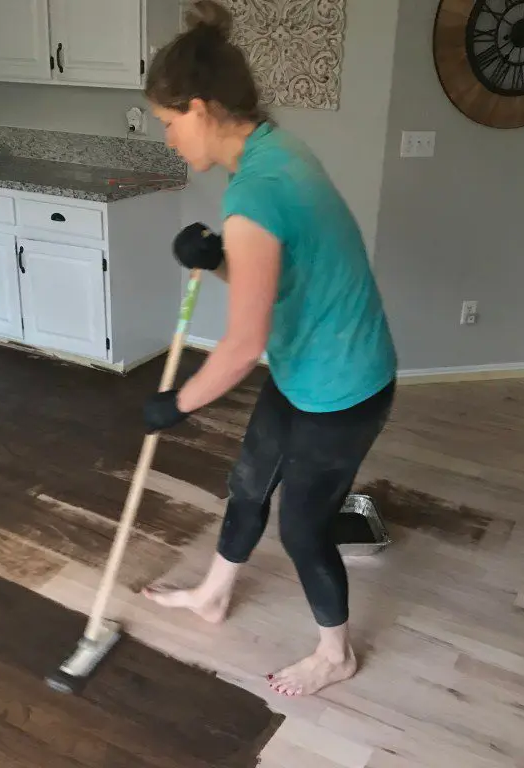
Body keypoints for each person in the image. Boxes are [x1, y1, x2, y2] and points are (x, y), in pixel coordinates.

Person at [140, 0, 398, 698]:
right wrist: (216, 258)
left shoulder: (256, 191)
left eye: (167, 123)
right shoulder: (272, 151)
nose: (167, 139)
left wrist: (176, 404)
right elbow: (274, 275)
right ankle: (214, 594)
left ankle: (335, 654)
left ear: (198, 108)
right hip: (310, 363)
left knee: (303, 526)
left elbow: (243, 343)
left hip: (343, 384)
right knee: (250, 481)